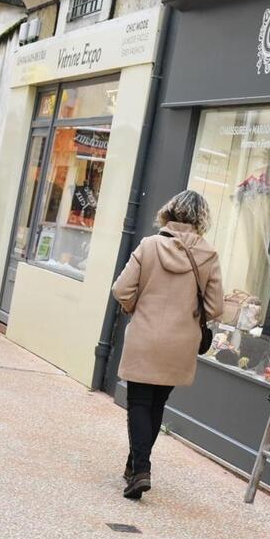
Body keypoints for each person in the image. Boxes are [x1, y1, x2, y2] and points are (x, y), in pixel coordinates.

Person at [111, 190, 224, 499]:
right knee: (156, 404)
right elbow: (215, 308)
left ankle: (141, 469)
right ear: (202, 219)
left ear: (169, 211)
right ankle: (135, 466)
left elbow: (121, 289)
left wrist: (138, 306)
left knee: (138, 402)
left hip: (145, 336)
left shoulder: (149, 246)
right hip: (181, 343)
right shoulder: (208, 255)